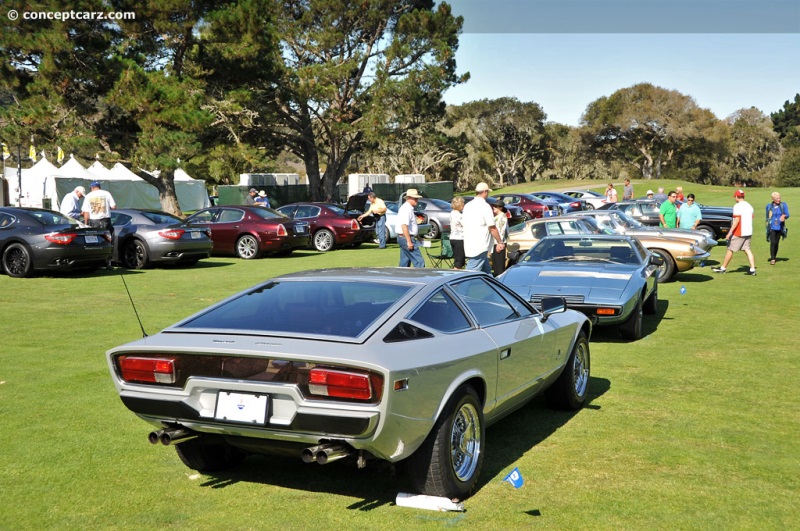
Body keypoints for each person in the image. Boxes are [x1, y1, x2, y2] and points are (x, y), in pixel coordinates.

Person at [462, 182, 505, 275]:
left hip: (469, 242)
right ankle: (461, 288)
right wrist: (500, 242)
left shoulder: (467, 206)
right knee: (470, 272)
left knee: (487, 271)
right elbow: (492, 227)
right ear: (485, 192)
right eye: (487, 192)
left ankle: (493, 287)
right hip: (481, 244)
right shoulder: (485, 206)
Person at [713, 189, 756, 276]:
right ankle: (752, 269)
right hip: (748, 231)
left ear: (737, 197)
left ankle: (723, 268)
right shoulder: (749, 206)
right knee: (747, 249)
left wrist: (729, 232)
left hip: (739, 232)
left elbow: (736, 220)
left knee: (730, 249)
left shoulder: (737, 206)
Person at [81, 181, 117, 269]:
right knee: (109, 241)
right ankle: (108, 263)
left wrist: (86, 224)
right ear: (99, 187)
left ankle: (96, 263)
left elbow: (86, 212)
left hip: (93, 221)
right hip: (105, 220)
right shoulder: (106, 193)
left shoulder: (88, 196)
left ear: (92, 188)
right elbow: (114, 206)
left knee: (95, 242)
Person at [395, 188, 425, 268]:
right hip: (406, 238)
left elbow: (411, 227)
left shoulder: (408, 208)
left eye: (417, 198)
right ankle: (420, 279)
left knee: (404, 262)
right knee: (419, 262)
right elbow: (404, 225)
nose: (417, 200)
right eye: (415, 198)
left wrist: (418, 237)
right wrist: (409, 241)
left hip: (404, 237)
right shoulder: (406, 209)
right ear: (409, 198)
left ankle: (401, 278)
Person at [765, 192, 789, 266]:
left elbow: (787, 214)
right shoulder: (769, 206)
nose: (779, 199)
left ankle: (774, 256)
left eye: (779, 198)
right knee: (773, 242)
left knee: (776, 243)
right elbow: (767, 217)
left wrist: (784, 216)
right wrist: (767, 226)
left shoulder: (783, 205)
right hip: (772, 227)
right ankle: (772, 258)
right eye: (777, 198)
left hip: (780, 227)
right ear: (773, 199)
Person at [490, 200, 508, 276]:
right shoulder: (497, 217)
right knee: (495, 265)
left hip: (499, 243)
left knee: (499, 266)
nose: (494, 207)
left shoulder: (502, 216)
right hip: (495, 242)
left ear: (501, 208)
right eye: (493, 206)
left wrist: (499, 243)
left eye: (496, 206)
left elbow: (502, 230)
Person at [449, 196, 466, 268]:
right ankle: (455, 275)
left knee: (458, 259)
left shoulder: (452, 213)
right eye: (463, 204)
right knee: (459, 261)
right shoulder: (459, 215)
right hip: (459, 238)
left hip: (453, 237)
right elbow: (465, 224)